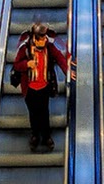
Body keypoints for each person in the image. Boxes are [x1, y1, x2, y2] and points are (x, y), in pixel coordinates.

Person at [12, 23, 69, 152]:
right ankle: (35, 135)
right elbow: (16, 64)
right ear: (35, 38)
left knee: (44, 113)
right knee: (33, 114)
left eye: (45, 38)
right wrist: (27, 64)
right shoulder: (25, 48)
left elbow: (60, 57)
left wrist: (67, 71)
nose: (44, 41)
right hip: (30, 89)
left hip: (44, 87)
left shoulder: (48, 46)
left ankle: (46, 136)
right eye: (41, 39)